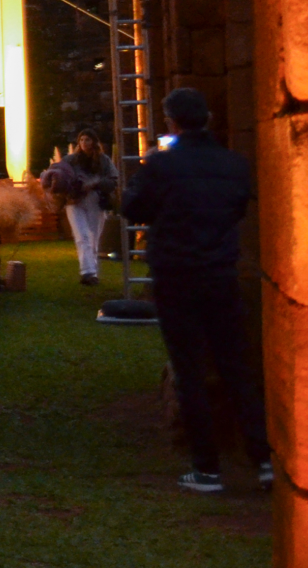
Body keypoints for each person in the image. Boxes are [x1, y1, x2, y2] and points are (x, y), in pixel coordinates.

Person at [121, 88, 272, 493]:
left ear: (171, 122)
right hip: (221, 272)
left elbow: (132, 207)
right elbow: (240, 207)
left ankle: (206, 468)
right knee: (237, 367)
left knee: (190, 370)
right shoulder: (233, 165)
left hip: (176, 275)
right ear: (207, 119)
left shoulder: (163, 166)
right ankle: (263, 458)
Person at [47, 130, 118, 285]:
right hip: (74, 201)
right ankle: (88, 272)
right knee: (82, 236)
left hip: (95, 200)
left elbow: (113, 180)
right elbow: (58, 174)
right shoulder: (71, 160)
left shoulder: (103, 160)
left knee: (93, 237)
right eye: (82, 140)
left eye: (88, 140)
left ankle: (92, 271)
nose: (84, 143)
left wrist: (95, 183)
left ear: (94, 142)